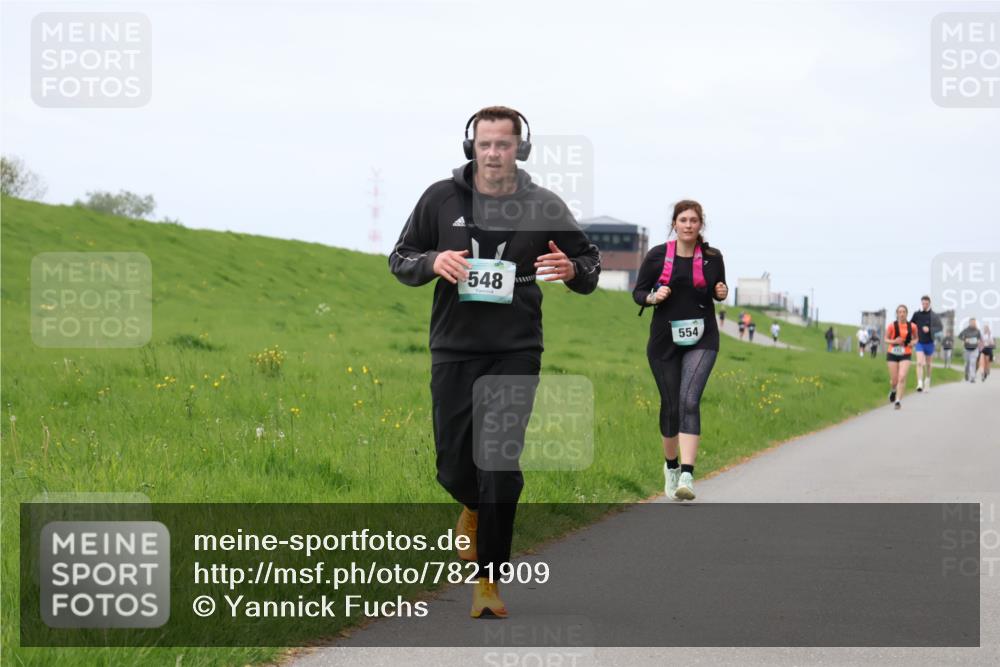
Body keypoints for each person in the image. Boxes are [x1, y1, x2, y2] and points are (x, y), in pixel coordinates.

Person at [389, 106, 601, 618]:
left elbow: (590, 265)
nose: (493, 154)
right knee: (455, 465)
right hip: (454, 349)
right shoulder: (440, 199)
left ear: (519, 149)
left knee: (500, 465)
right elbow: (400, 256)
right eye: (485, 144)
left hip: (515, 350)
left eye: (503, 145)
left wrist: (572, 268)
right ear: (471, 147)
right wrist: (432, 262)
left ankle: (488, 583)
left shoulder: (545, 206)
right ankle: (469, 507)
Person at [633, 199, 727, 502]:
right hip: (664, 340)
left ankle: (688, 473)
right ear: (674, 224)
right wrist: (652, 297)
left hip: (703, 337)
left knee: (689, 399)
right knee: (671, 404)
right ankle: (671, 467)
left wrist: (720, 291)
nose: (688, 225)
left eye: (694, 220)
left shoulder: (713, 257)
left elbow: (718, 288)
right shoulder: (657, 256)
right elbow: (638, 292)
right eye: (683, 220)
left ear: (701, 225)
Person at [885, 304, 919, 410]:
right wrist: (894, 341)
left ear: (907, 314)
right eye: (900, 312)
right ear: (897, 314)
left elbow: (916, 339)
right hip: (892, 353)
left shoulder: (912, 326)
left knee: (902, 377)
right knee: (894, 380)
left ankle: (898, 401)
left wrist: (912, 343)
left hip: (906, 353)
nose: (902, 314)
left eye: (904, 312)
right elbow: (886, 339)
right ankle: (893, 390)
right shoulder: (891, 326)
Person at [910, 295, 941, 393]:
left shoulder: (934, 315)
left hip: (930, 342)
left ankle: (927, 380)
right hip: (919, 342)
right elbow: (911, 325)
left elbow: (940, 327)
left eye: (926, 303)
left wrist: (930, 329)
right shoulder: (916, 314)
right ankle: (919, 383)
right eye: (923, 303)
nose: (924, 305)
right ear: (921, 303)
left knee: (928, 364)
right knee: (919, 362)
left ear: (929, 304)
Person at [958, 319, 981, 383]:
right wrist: (965, 340)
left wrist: (978, 341)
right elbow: (959, 336)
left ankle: (972, 378)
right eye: (972, 322)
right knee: (967, 363)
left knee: (972, 362)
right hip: (967, 349)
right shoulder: (966, 330)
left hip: (974, 349)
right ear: (969, 323)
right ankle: (966, 373)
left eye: (974, 322)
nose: (973, 323)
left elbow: (979, 338)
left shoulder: (977, 331)